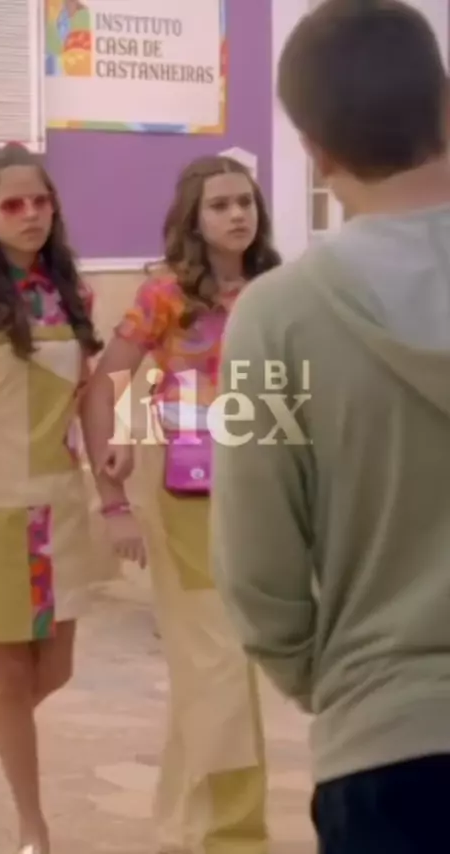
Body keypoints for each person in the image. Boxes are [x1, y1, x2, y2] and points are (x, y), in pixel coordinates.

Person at [210, 2, 450, 853]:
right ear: (445, 103)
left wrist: (336, 681)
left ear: (313, 149)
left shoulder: (269, 320)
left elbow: (254, 562)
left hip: (386, 745)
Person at [81, 155, 281, 854]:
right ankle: (233, 837)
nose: (237, 214)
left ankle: (182, 825)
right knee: (219, 660)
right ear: (194, 219)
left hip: (263, 490)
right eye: (220, 205)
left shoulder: (276, 290)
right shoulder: (165, 296)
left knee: (217, 664)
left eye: (245, 201)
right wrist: (113, 495)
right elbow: (105, 384)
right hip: (184, 491)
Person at [0, 143, 103, 854]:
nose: (31, 214)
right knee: (12, 677)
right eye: (13, 204)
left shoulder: (70, 291)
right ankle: (34, 831)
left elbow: (89, 394)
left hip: (58, 504)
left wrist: (111, 479)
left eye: (40, 200)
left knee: (55, 670)